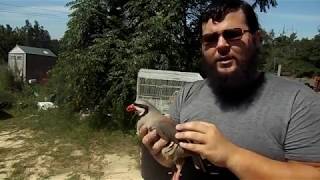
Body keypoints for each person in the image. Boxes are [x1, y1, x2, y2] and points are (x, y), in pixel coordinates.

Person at [139, 0, 320, 179]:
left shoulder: (299, 101)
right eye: (210, 39)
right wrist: (163, 157)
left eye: (233, 34)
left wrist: (231, 156)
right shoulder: (187, 94)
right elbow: (175, 162)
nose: (221, 45)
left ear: (257, 39)